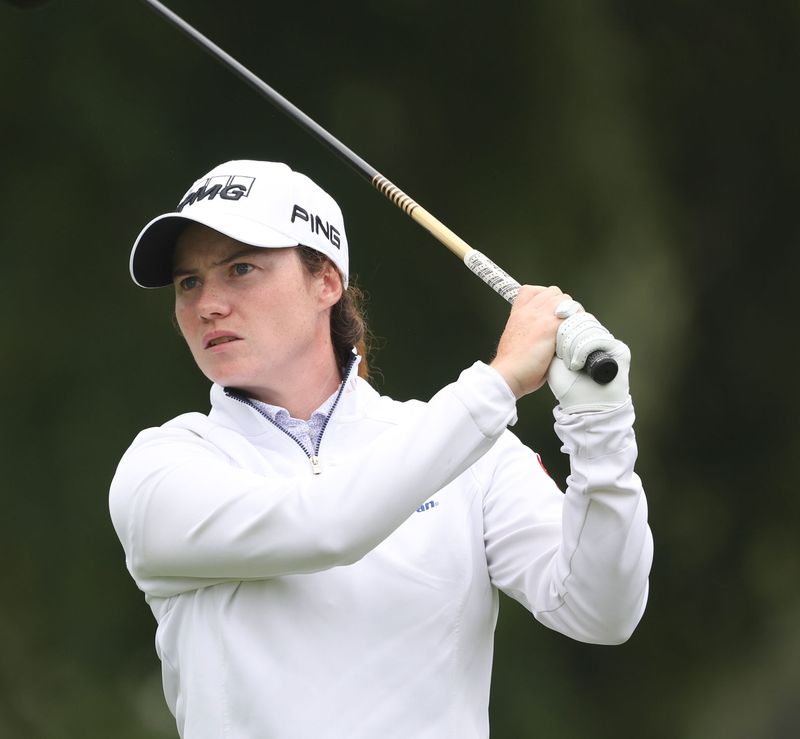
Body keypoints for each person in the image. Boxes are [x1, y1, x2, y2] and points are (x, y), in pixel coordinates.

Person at [107, 160, 653, 738]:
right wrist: (498, 383)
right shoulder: (164, 466)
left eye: (240, 269)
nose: (207, 304)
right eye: (188, 282)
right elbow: (325, 525)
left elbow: (601, 609)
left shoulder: (475, 453)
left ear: (326, 282)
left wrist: (601, 426)